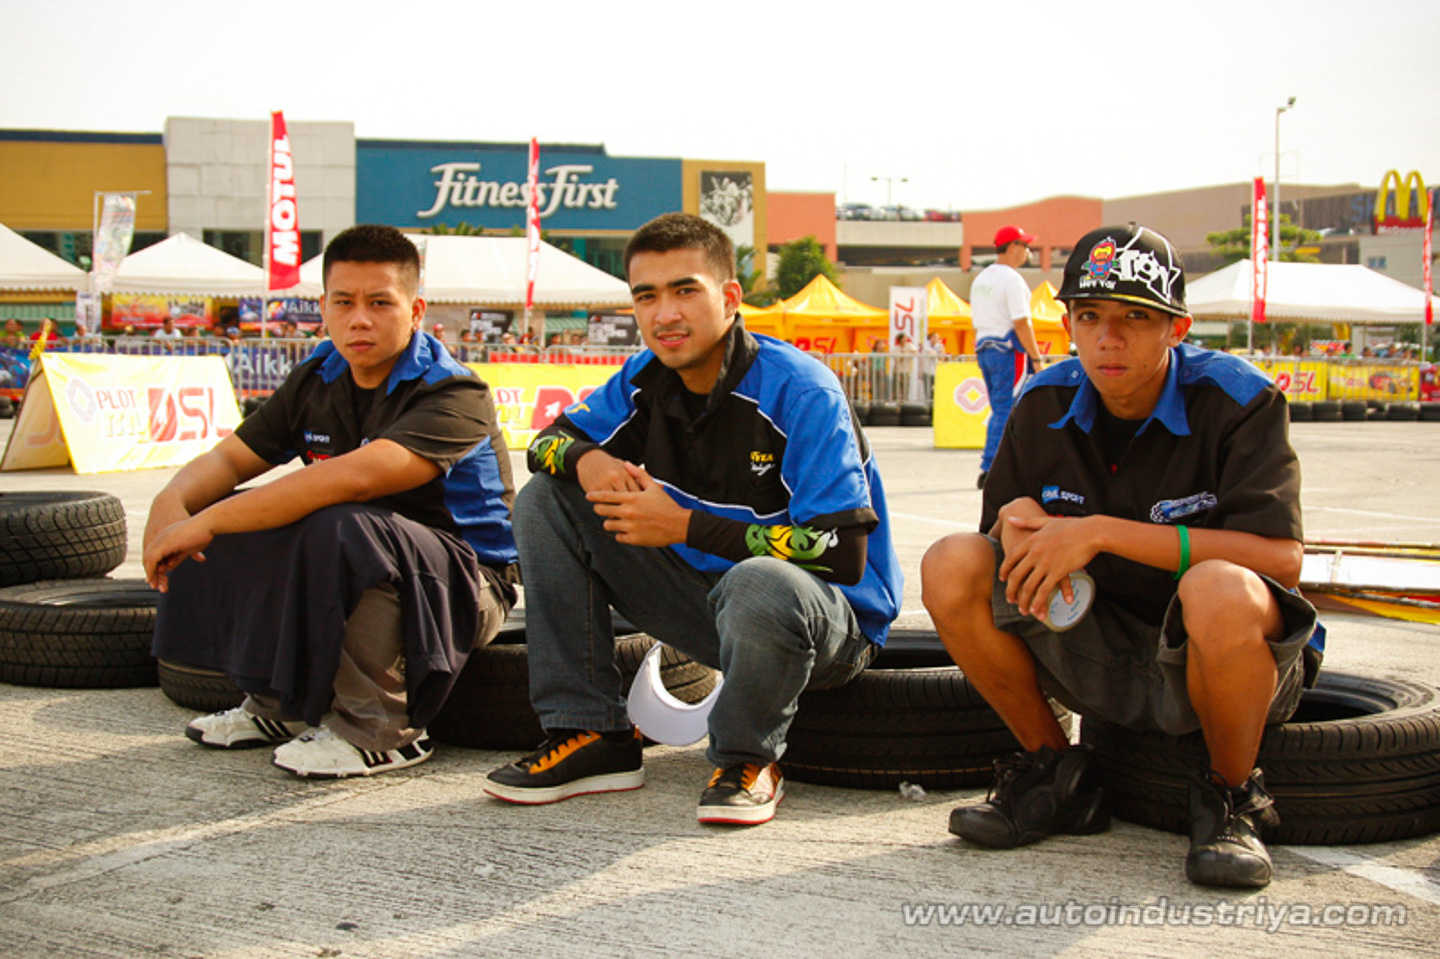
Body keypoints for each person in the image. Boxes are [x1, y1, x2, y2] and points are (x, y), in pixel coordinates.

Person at [921, 224, 1318, 889]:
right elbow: (996, 537)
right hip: (1097, 643)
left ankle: (1231, 797)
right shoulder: (1040, 404)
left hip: (1222, 659)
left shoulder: (1240, 400)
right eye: (1090, 316)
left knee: (1219, 589)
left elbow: (1281, 559)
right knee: (950, 562)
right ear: (1068, 325)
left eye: (1135, 317)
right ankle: (1057, 772)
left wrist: (1100, 532)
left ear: (1177, 327)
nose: (1109, 337)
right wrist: (1014, 530)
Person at [483, 212, 902, 825]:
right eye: (646, 296)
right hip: (713, 605)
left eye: (685, 290)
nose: (665, 314)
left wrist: (683, 527)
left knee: (759, 581)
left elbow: (841, 553)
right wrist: (588, 458)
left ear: (730, 297)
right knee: (547, 498)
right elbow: (545, 444)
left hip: (831, 627)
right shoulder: (644, 378)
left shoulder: (801, 390)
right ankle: (592, 733)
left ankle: (747, 760)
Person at [144, 224, 519, 779]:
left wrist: (211, 521)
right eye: (344, 302)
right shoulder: (318, 375)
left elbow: (354, 480)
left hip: (467, 584)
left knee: (337, 523)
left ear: (415, 311)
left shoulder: (453, 391)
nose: (359, 319)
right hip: (371, 553)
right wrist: (172, 503)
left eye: (380, 303)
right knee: (250, 517)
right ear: (323, 308)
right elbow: (228, 461)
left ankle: (381, 732)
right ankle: (277, 705)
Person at [970, 225, 1043, 489]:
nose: (1028, 252)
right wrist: (1036, 358)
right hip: (1008, 349)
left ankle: (999, 464)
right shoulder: (1012, 280)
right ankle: (991, 467)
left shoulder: (981, 279)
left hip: (985, 347)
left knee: (1000, 409)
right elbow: (1021, 322)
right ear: (1013, 246)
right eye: (1025, 246)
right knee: (1007, 409)